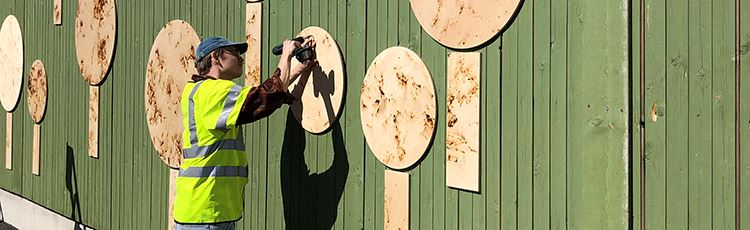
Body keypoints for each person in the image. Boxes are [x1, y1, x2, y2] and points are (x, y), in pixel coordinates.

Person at [173, 36, 317, 230]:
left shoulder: (202, 91)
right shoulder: (213, 92)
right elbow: (266, 97)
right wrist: (286, 55)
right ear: (216, 57)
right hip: (206, 214)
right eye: (235, 53)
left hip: (206, 211)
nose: (241, 59)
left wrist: (298, 69)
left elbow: (259, 97)